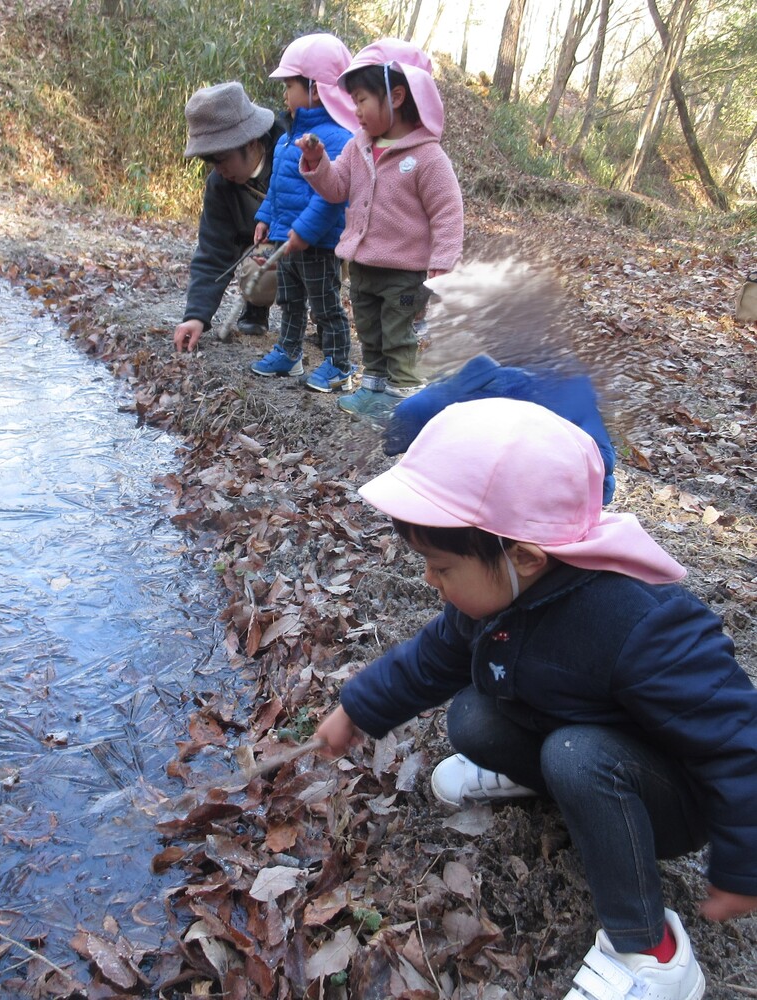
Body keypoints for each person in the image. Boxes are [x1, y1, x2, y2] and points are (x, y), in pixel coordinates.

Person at [315, 397, 757, 1000]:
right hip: (586, 744)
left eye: (440, 566)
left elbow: (736, 740)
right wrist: (356, 710)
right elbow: (430, 660)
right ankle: (556, 784)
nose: (429, 581)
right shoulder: (501, 595)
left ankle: (652, 953)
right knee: (472, 716)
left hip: (669, 797)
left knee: (578, 754)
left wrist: (744, 861)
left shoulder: (638, 624)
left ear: (523, 556)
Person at [297, 39, 464, 418]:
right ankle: (373, 388)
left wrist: (443, 260)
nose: (355, 111)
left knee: (397, 335)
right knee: (370, 330)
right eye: (353, 102)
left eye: (362, 100)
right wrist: (318, 162)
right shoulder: (358, 147)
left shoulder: (427, 157)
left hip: (405, 271)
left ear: (398, 95)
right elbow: (337, 187)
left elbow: (447, 212)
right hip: (363, 264)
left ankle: (403, 398)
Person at [250, 33, 358, 393]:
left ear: (315, 89)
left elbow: (331, 197)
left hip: (317, 241)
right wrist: (266, 218)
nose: (285, 93)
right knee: (290, 299)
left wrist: (304, 231)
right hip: (287, 238)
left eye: (290, 84)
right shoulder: (287, 137)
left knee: (325, 303)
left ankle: (339, 362)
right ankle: (289, 351)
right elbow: (279, 187)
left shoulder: (337, 138)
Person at [173, 82, 285, 353]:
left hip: (317, 241)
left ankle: (323, 315)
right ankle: (256, 309)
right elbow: (213, 252)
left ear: (250, 140)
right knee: (258, 267)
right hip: (265, 250)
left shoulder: (293, 150)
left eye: (222, 159)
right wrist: (196, 316)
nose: (218, 170)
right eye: (210, 162)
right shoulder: (220, 185)